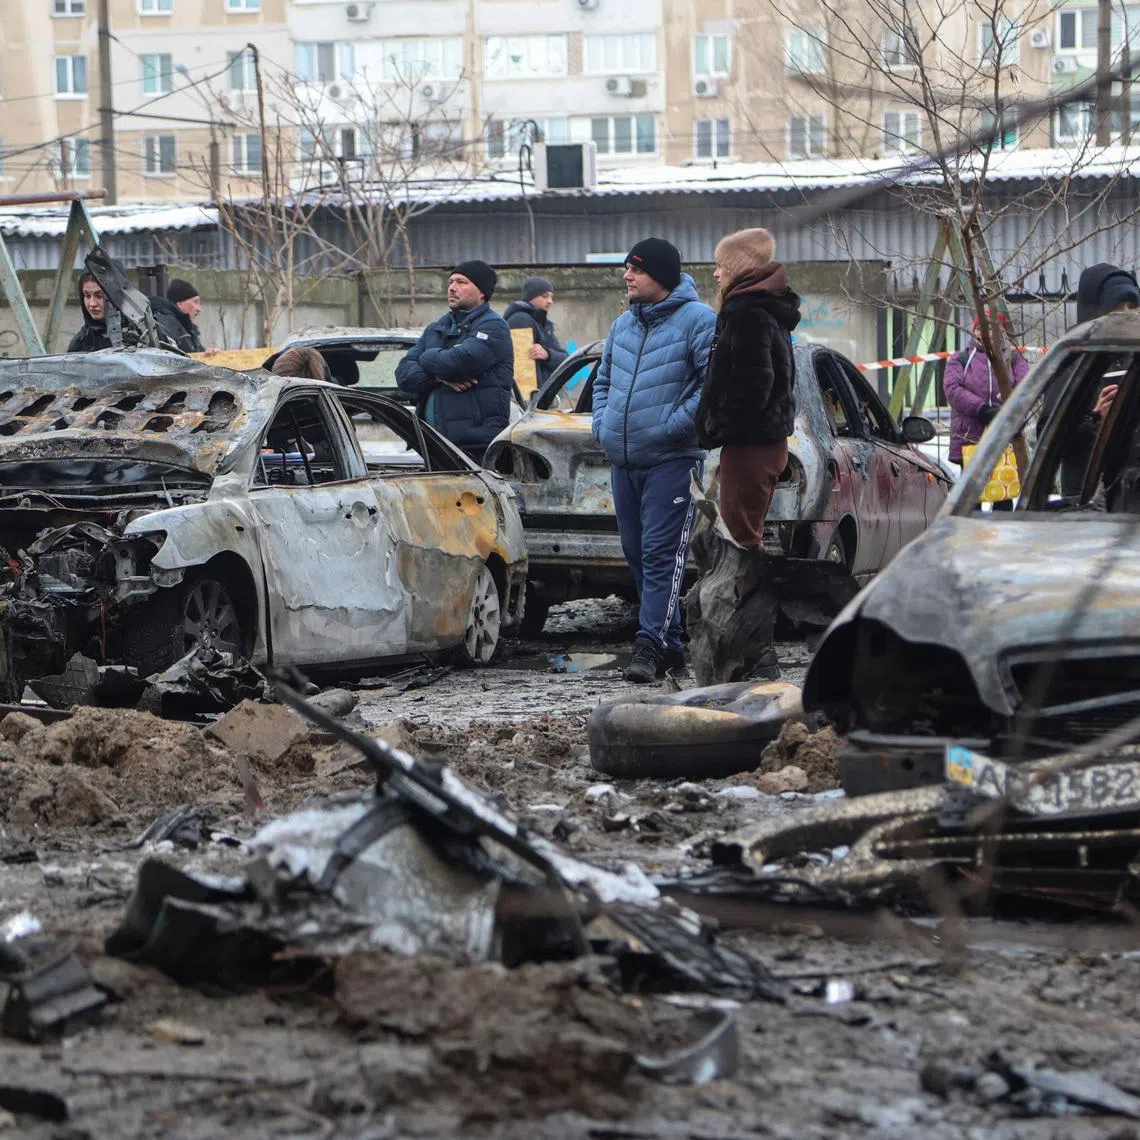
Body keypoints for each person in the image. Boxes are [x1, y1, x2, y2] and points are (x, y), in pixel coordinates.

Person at [592, 238, 716, 684]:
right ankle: (672, 644)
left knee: (662, 554)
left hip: (672, 459)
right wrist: (602, 426)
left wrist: (671, 427)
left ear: (661, 276)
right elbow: (602, 382)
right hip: (625, 461)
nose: (627, 276)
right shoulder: (622, 325)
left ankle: (649, 645)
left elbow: (711, 387)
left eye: (637, 270)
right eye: (626, 268)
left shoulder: (700, 321)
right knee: (636, 554)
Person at [696, 227, 800, 548]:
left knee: (738, 543)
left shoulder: (748, 313)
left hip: (750, 447)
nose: (715, 274)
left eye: (721, 266)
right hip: (761, 444)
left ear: (738, 268)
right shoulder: (762, 308)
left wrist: (717, 426)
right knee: (743, 537)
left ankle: (741, 599)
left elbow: (753, 387)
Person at [395, 260, 514, 463]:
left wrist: (427, 357)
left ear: (482, 292)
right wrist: (438, 378)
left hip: (475, 447)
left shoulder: (494, 327)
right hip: (432, 444)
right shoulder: (437, 328)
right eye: (450, 282)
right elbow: (404, 374)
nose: (452, 288)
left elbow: (459, 363)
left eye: (461, 282)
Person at [1041, 263, 1140, 497]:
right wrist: (1095, 418)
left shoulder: (1135, 358)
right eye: (1119, 308)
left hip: (1129, 497)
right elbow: (1048, 444)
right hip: (1085, 501)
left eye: (1133, 306)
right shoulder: (1073, 362)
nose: (1128, 315)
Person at [944, 309, 1029, 509]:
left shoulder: (1014, 359)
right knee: (971, 502)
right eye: (981, 328)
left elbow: (1025, 388)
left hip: (1004, 437)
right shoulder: (960, 359)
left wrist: (1006, 413)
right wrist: (982, 409)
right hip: (970, 438)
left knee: (1003, 498)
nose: (986, 333)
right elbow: (952, 389)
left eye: (993, 328)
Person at [502, 276, 568, 389]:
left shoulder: (543, 324)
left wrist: (547, 354)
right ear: (531, 297)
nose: (550, 301)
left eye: (551, 297)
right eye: (544, 296)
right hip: (533, 397)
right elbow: (522, 372)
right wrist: (529, 401)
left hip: (543, 394)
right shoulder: (520, 320)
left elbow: (565, 359)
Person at [151, 279, 214, 354]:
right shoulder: (169, 323)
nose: (199, 309)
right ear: (180, 303)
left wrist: (206, 353)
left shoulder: (184, 327)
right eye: (195, 302)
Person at [67, 271, 112, 353]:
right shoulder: (80, 343)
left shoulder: (138, 335)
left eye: (99, 296)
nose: (92, 304)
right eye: (87, 295)